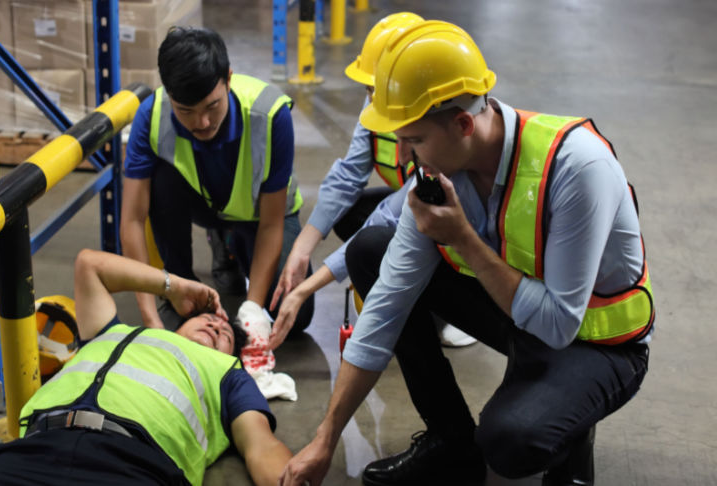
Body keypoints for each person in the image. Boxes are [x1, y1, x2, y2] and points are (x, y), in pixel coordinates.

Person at [279, 20, 653, 486]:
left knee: (511, 441)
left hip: (597, 343)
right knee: (373, 252)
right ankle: (451, 443)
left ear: (462, 124)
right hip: (521, 316)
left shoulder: (576, 168)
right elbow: (383, 312)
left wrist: (464, 240)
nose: (407, 157)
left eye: (414, 140)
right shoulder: (439, 178)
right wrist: (326, 437)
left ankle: (572, 426)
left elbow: (559, 324)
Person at [0, 249, 292, 486]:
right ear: (178, 326)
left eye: (224, 336)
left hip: (132, 461)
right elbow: (89, 264)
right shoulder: (110, 332)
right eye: (208, 320)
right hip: (36, 449)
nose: (216, 329)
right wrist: (175, 286)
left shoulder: (228, 373)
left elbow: (261, 447)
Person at [269, 13, 475, 350]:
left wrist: (308, 287)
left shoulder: (439, 125)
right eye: (368, 89)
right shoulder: (380, 103)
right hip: (408, 203)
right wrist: (303, 247)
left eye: (373, 88)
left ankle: (455, 308)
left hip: (449, 218)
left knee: (399, 230)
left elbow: (390, 214)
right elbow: (350, 173)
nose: (369, 97)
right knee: (354, 214)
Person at [120, 26, 314, 336]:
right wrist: (150, 313)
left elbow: (271, 224)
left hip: (259, 214)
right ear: (170, 94)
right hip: (202, 202)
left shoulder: (271, 115)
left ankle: (229, 242)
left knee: (295, 314)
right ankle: (181, 285)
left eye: (212, 106)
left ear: (228, 78)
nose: (203, 122)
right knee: (159, 176)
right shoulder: (151, 115)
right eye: (186, 111)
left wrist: (252, 308)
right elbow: (131, 220)